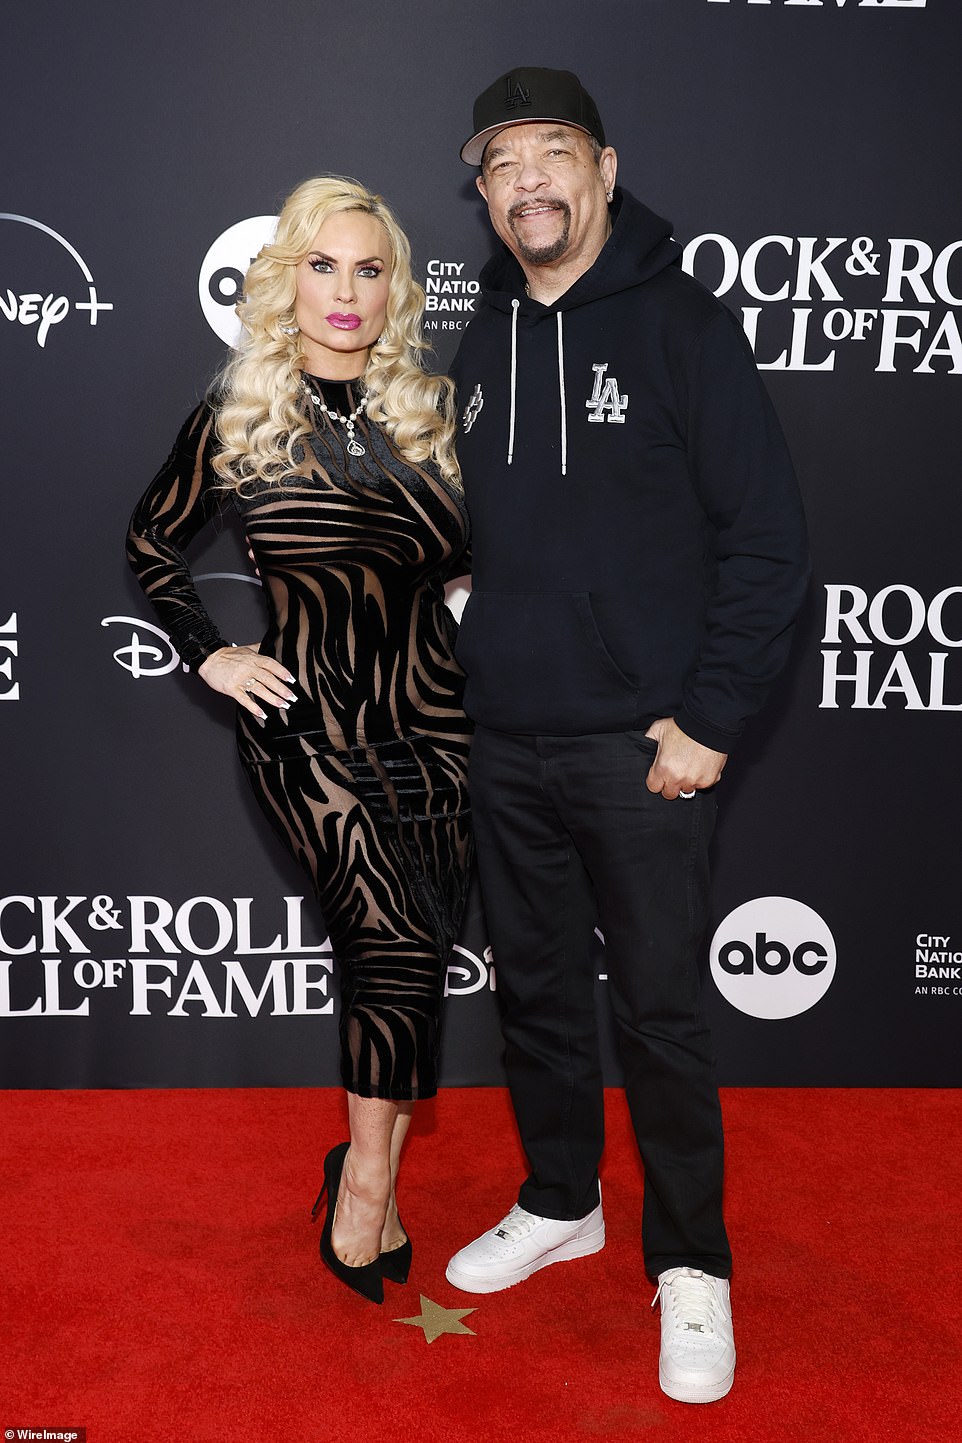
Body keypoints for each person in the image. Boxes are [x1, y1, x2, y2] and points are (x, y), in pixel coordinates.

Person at [443, 68, 809, 1402]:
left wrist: (708, 720)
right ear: (480, 192)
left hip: (642, 748)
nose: (528, 181)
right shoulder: (477, 335)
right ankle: (559, 1197)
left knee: (657, 1011)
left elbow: (766, 539)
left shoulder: (681, 324)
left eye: (551, 154)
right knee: (534, 993)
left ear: (601, 167)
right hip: (504, 735)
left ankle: (690, 1261)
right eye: (500, 163)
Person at [127, 177, 472, 1305]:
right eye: (321, 265)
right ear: (287, 277)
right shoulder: (240, 408)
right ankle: (368, 1180)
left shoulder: (433, 408)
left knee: (414, 951)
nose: (344, 290)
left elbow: (491, 559)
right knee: (382, 932)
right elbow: (151, 540)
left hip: (435, 724)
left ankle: (359, 1157)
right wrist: (209, 653)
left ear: (393, 288)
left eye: (368, 268)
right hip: (304, 723)